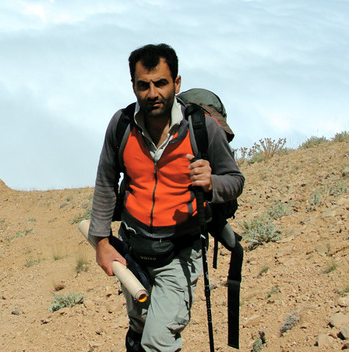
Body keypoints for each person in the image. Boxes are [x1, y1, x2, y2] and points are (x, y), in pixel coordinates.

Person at [89, 43, 244, 352]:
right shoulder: (121, 126)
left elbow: (235, 180)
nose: (152, 93)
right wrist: (102, 242)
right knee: (140, 325)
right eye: (143, 85)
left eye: (160, 83)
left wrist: (211, 183)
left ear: (177, 82)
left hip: (180, 253)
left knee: (158, 343)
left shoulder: (201, 128)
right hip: (132, 249)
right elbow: (106, 181)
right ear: (133, 86)